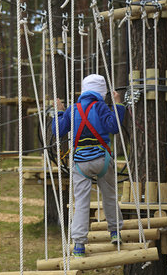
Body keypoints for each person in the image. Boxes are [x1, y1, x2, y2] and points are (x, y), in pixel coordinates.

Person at [52, 74, 125, 257]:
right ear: (102, 92)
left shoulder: (73, 109)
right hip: (102, 159)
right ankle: (115, 232)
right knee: (109, 195)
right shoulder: (100, 106)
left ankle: (78, 244)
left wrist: (59, 112)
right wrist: (118, 105)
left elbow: (58, 131)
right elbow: (114, 126)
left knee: (81, 202)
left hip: (80, 162)